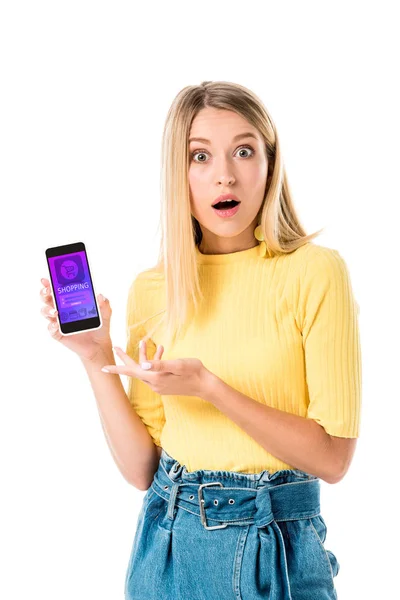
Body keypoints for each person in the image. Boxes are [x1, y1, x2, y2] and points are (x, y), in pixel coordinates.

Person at [40, 80, 362, 599]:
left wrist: (211, 389)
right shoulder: (154, 289)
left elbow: (332, 459)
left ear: (269, 163)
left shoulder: (315, 272)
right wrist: (95, 355)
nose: (225, 175)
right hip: (166, 542)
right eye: (200, 157)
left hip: (272, 546)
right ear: (178, 172)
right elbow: (142, 469)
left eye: (243, 150)